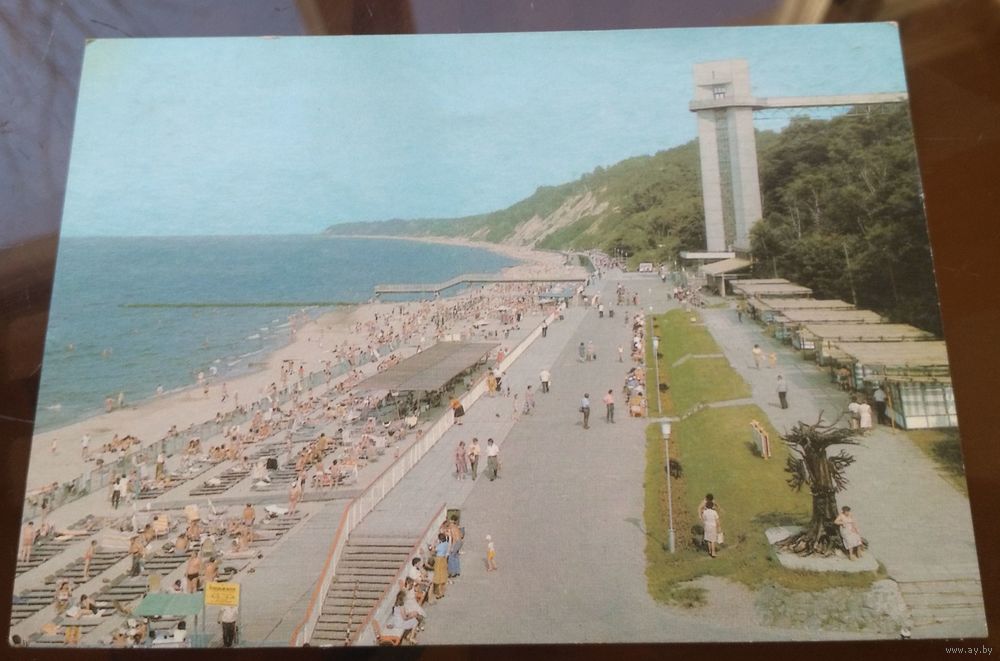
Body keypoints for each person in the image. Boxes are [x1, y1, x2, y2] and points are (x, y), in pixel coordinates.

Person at [432, 533, 449, 598]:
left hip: (438, 560)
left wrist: (434, 544)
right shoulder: (446, 543)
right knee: (443, 576)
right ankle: (442, 592)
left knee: (438, 576)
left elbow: (433, 550)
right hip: (443, 559)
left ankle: (439, 594)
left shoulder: (440, 545)